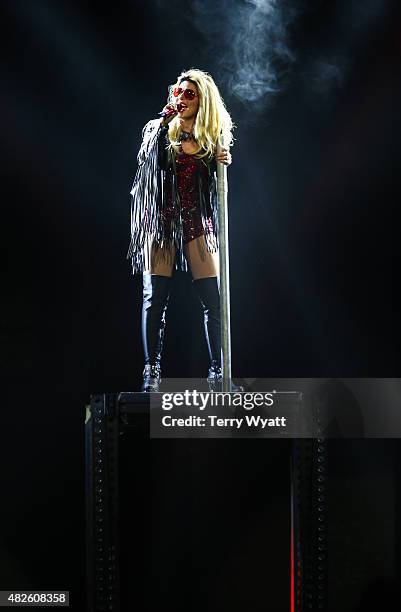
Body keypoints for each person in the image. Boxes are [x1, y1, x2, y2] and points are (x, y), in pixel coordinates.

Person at [127, 68, 234, 392]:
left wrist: (222, 160)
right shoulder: (158, 129)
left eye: (189, 94)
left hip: (196, 221)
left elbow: (217, 187)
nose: (181, 98)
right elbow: (147, 160)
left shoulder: (213, 136)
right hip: (160, 221)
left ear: (203, 100)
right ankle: (152, 372)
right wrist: (164, 120)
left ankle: (218, 371)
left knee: (213, 301)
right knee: (154, 298)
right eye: (178, 92)